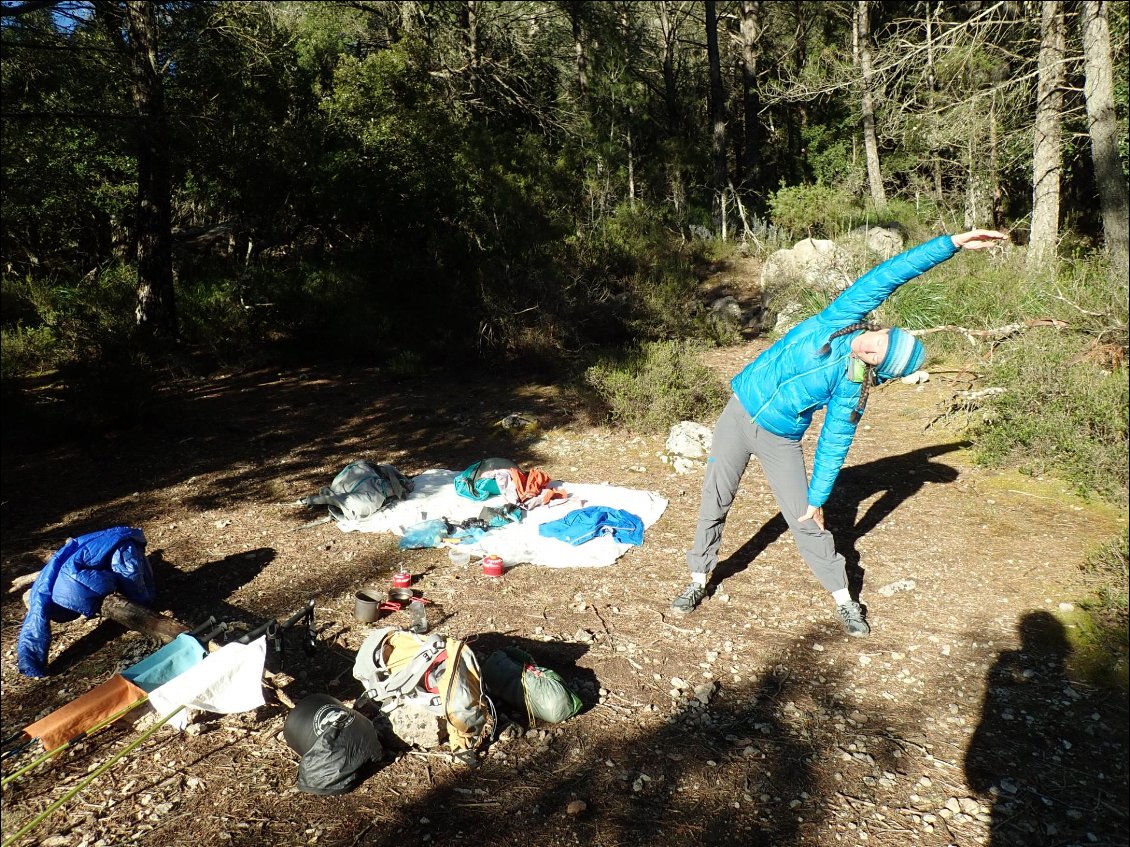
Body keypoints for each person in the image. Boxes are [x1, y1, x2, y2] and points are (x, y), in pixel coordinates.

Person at [672, 228, 1007, 635]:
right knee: (715, 499)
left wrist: (817, 497)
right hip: (738, 413)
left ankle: (843, 599)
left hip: (780, 438)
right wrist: (950, 244)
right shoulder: (841, 317)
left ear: (877, 368)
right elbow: (890, 274)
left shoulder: (852, 384)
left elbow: (834, 442)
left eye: (877, 360)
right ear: (883, 330)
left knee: (807, 519)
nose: (868, 351)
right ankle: (697, 579)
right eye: (877, 344)